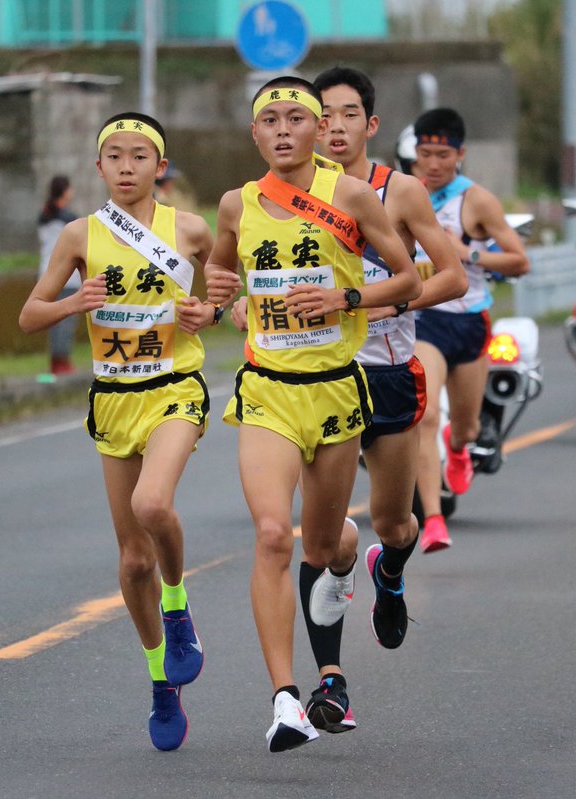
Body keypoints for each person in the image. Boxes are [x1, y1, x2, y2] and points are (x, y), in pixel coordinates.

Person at [203, 75, 422, 753]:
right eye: (271, 120)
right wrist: (212, 298)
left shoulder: (351, 195)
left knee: (323, 547)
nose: (284, 129)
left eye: (297, 117)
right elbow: (217, 274)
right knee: (273, 534)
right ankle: (285, 698)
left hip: (334, 391)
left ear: (314, 127)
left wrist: (345, 300)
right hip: (266, 389)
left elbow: (409, 276)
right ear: (256, 134)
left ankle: (349, 563)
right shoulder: (237, 204)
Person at [18, 112, 217, 752]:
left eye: (140, 156)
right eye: (115, 156)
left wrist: (205, 312)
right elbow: (28, 316)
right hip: (112, 396)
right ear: (99, 167)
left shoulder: (190, 229)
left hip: (174, 389)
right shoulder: (80, 235)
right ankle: (162, 680)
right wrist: (76, 303)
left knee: (152, 503)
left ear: (160, 166)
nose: (127, 167)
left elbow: (212, 302)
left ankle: (179, 605)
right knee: (133, 559)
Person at [292, 66, 468, 734]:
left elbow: (450, 273)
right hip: (316, 379)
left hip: (390, 377)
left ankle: (387, 573)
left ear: (368, 125)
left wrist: (385, 296)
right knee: (319, 535)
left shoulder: (402, 191)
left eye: (345, 114)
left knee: (397, 525)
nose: (331, 126)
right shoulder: (281, 199)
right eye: (321, 114)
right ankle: (331, 683)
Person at [410, 108, 529, 553]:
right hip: (426, 320)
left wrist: (470, 255)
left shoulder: (475, 201)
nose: (434, 163)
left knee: (464, 427)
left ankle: (460, 450)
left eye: (443, 154)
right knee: (425, 416)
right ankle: (435, 520)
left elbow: (520, 261)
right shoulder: (406, 193)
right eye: (425, 153)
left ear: (460, 154)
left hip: (470, 321)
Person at [37, 176, 79, 375]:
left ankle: (56, 362)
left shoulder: (44, 215)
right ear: (65, 191)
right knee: (66, 321)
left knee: (53, 321)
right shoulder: (69, 219)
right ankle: (62, 363)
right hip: (67, 276)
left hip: (46, 274)